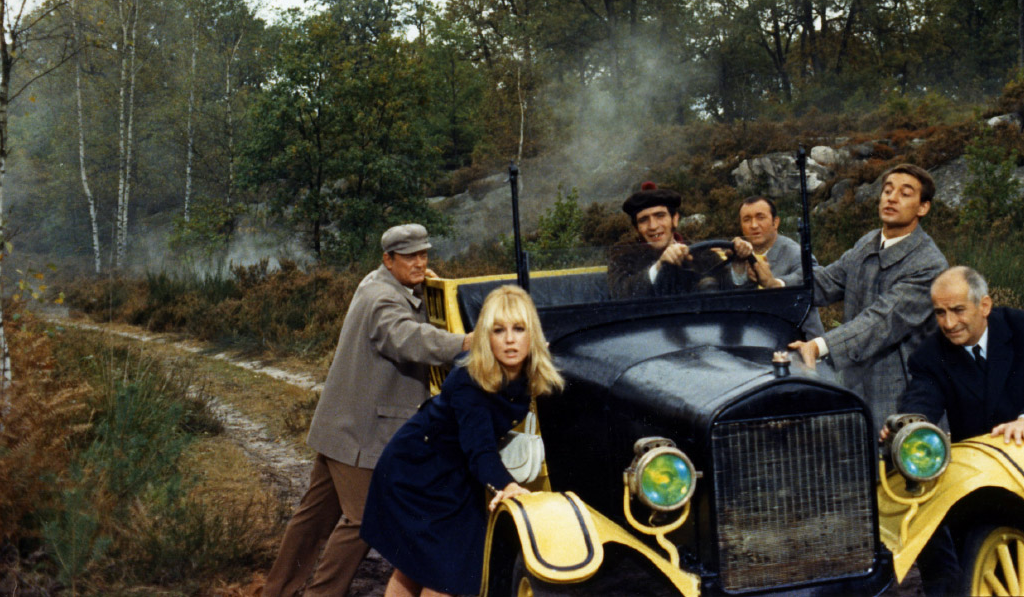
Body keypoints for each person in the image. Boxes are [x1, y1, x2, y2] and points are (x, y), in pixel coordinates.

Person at [262, 224, 471, 597]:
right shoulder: (383, 300)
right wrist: (466, 342)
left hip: (339, 426)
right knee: (362, 520)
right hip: (362, 433)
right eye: (410, 257)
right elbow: (409, 338)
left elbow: (406, 307)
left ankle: (277, 589)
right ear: (388, 259)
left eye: (424, 254)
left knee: (313, 517)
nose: (420, 262)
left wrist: (423, 284)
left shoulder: (375, 283)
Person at [882, 266, 1024, 592]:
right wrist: (910, 428)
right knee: (973, 573)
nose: (948, 323)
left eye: (957, 310)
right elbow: (921, 399)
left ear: (984, 305)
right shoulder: (930, 354)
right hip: (982, 492)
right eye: (939, 312)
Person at [361, 285, 565, 597]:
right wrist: (508, 486)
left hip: (454, 476)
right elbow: (479, 450)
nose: (510, 339)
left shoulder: (526, 369)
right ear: (485, 336)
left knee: (422, 569)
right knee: (446, 576)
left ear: (532, 334)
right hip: (417, 475)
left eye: (519, 329)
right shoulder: (469, 379)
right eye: (498, 330)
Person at [787, 163, 947, 431]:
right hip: (855, 387)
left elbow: (881, 321)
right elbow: (827, 281)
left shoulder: (929, 264)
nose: (891, 198)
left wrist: (819, 346)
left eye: (905, 193)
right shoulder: (868, 242)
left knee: (897, 469)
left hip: (901, 396)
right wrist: (774, 282)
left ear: (923, 207)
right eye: (887, 190)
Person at [607, 181, 698, 298]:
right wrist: (659, 266)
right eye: (644, 220)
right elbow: (619, 293)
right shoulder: (622, 254)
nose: (653, 226)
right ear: (637, 228)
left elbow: (723, 284)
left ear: (674, 219)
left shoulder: (699, 252)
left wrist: (730, 266)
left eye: (660, 215)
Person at [728, 195, 803, 289]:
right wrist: (738, 265)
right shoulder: (733, 253)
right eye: (747, 220)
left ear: (775, 223)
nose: (754, 225)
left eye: (761, 217)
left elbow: (811, 277)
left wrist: (774, 283)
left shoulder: (795, 252)